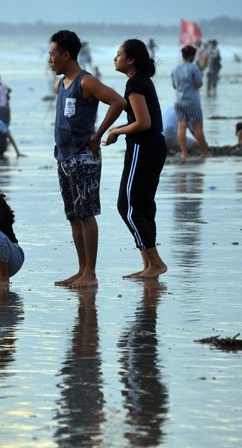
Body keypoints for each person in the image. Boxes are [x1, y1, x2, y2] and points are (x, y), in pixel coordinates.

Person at [48, 30, 126, 288]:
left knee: (86, 213)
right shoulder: (61, 84)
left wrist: (98, 135)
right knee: (73, 215)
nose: (50, 59)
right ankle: (81, 270)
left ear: (66, 55)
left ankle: (90, 272)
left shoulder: (85, 81)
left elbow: (117, 102)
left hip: (84, 156)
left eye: (52, 54)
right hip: (64, 156)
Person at [104, 38, 169, 279]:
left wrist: (115, 131)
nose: (115, 58)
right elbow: (143, 122)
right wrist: (118, 132)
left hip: (144, 148)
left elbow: (143, 123)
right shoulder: (141, 81)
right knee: (142, 206)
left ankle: (156, 263)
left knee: (128, 207)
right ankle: (149, 266)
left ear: (130, 59)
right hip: (152, 147)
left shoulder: (135, 84)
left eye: (119, 54)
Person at [171, 45, 211, 160]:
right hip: (192, 102)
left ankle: (184, 153)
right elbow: (198, 84)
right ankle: (204, 152)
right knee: (197, 128)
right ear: (192, 56)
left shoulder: (175, 69)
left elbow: (174, 86)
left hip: (179, 102)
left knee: (181, 127)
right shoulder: (194, 68)